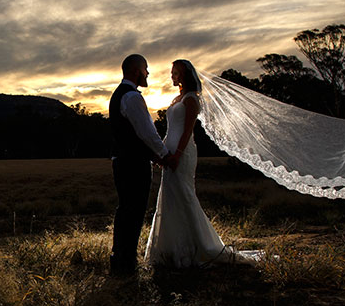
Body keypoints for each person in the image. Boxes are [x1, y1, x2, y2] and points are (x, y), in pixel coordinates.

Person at [144, 60, 262, 268]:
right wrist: (161, 154)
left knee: (184, 194)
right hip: (170, 151)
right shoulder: (176, 99)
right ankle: (171, 249)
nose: (172, 76)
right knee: (170, 196)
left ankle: (199, 247)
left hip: (183, 152)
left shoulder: (191, 100)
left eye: (175, 73)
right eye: (172, 73)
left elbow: (187, 131)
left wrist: (177, 154)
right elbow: (170, 131)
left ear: (184, 75)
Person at [109, 54, 172, 275]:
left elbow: (134, 135)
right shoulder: (132, 97)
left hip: (122, 160)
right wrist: (164, 154)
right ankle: (126, 263)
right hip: (133, 164)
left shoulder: (119, 95)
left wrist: (153, 156)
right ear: (136, 70)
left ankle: (120, 259)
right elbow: (147, 132)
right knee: (133, 211)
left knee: (126, 209)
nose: (148, 73)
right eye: (146, 69)